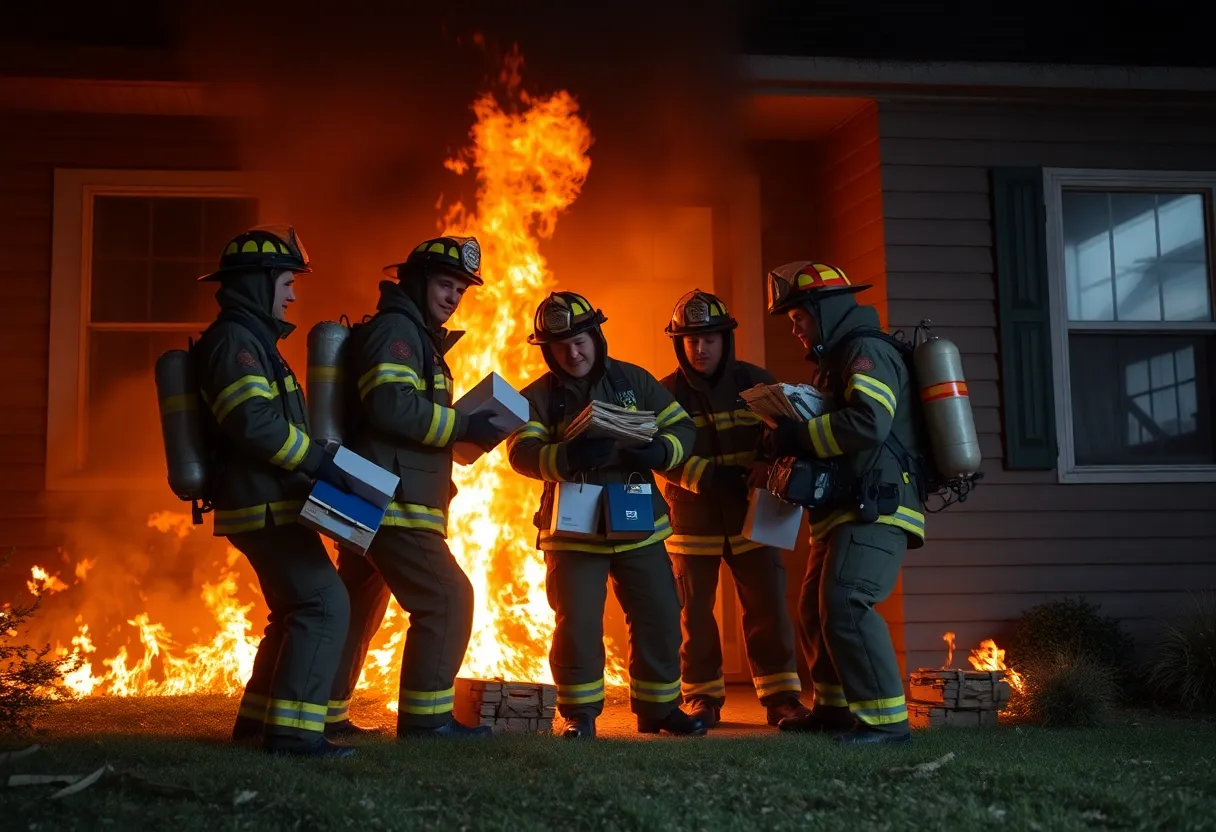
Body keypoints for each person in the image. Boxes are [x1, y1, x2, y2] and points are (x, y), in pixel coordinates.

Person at [325, 235, 506, 739]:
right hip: (389, 498)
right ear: (417, 280)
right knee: (447, 598)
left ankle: (322, 712)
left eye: (461, 290)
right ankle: (427, 722)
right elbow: (390, 404)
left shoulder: (412, 333)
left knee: (357, 603)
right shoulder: (398, 331)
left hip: (370, 490)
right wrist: (462, 425)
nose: (453, 297)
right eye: (446, 285)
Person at [506, 291, 706, 739]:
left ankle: (659, 709)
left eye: (580, 342)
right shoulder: (537, 396)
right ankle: (579, 714)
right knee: (577, 624)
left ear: (596, 337)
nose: (572, 354)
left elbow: (681, 426)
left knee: (659, 612)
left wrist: (662, 451)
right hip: (573, 532)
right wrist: (567, 457)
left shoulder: (634, 380)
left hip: (638, 523)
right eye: (560, 347)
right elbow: (521, 451)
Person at [194, 225, 358, 758]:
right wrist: (317, 460)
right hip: (260, 501)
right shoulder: (236, 343)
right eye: (286, 283)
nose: (291, 295)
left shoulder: (253, 340)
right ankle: (293, 735)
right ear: (257, 282)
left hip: (269, 497)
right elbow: (252, 421)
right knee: (323, 603)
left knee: (292, 610)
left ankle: (257, 724)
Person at [763, 261, 925, 745]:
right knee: (815, 609)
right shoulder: (835, 359)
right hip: (844, 507)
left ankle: (885, 722)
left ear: (825, 310)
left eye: (799, 318)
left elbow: (870, 422)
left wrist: (799, 434)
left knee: (847, 600)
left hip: (877, 506)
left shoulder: (865, 350)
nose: (795, 329)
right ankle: (833, 709)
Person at [655, 289, 811, 729]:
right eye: (691, 340)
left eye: (709, 339)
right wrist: (707, 476)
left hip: (752, 513)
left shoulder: (757, 384)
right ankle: (702, 698)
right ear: (679, 344)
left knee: (767, 606)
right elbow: (661, 455)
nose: (700, 348)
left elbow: (785, 437)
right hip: (693, 517)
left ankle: (781, 699)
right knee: (694, 614)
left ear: (726, 339)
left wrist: (767, 464)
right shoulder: (665, 393)